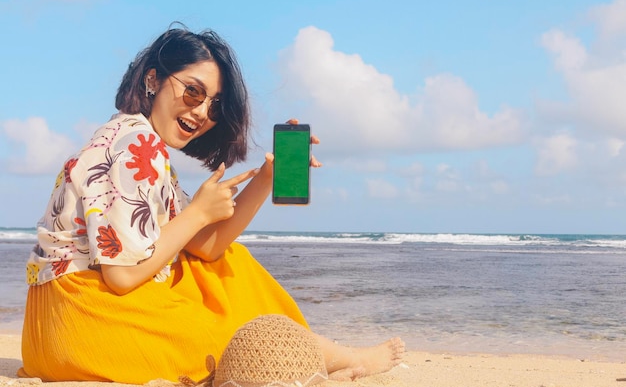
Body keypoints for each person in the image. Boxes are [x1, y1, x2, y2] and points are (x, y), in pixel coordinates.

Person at [20, 24, 405, 384]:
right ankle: (325, 355)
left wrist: (266, 179)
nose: (202, 112)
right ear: (153, 79)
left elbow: (207, 246)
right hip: (85, 321)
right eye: (193, 92)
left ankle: (313, 351)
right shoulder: (138, 145)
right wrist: (198, 213)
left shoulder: (130, 137)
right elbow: (121, 278)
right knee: (236, 338)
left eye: (214, 105)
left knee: (226, 263)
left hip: (50, 330)